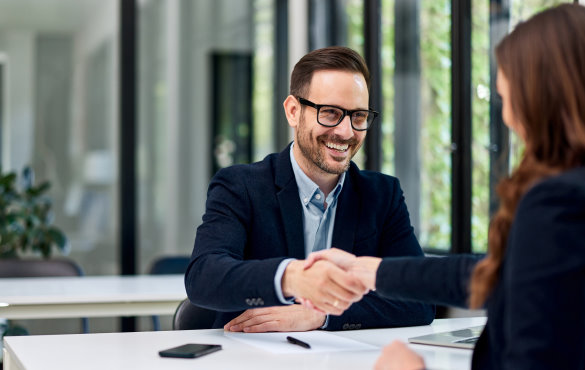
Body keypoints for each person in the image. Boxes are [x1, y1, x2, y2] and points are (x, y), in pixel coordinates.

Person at [303, 4, 585, 369]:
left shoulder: (557, 202)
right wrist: (367, 271)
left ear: (540, 98)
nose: (507, 115)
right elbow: (498, 271)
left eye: (507, 97)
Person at [184, 46, 435, 332]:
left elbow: (420, 297)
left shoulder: (382, 195)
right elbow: (204, 278)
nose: (346, 132)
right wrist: (291, 278)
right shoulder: (240, 186)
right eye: (330, 113)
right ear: (293, 111)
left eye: (359, 116)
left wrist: (321, 315)